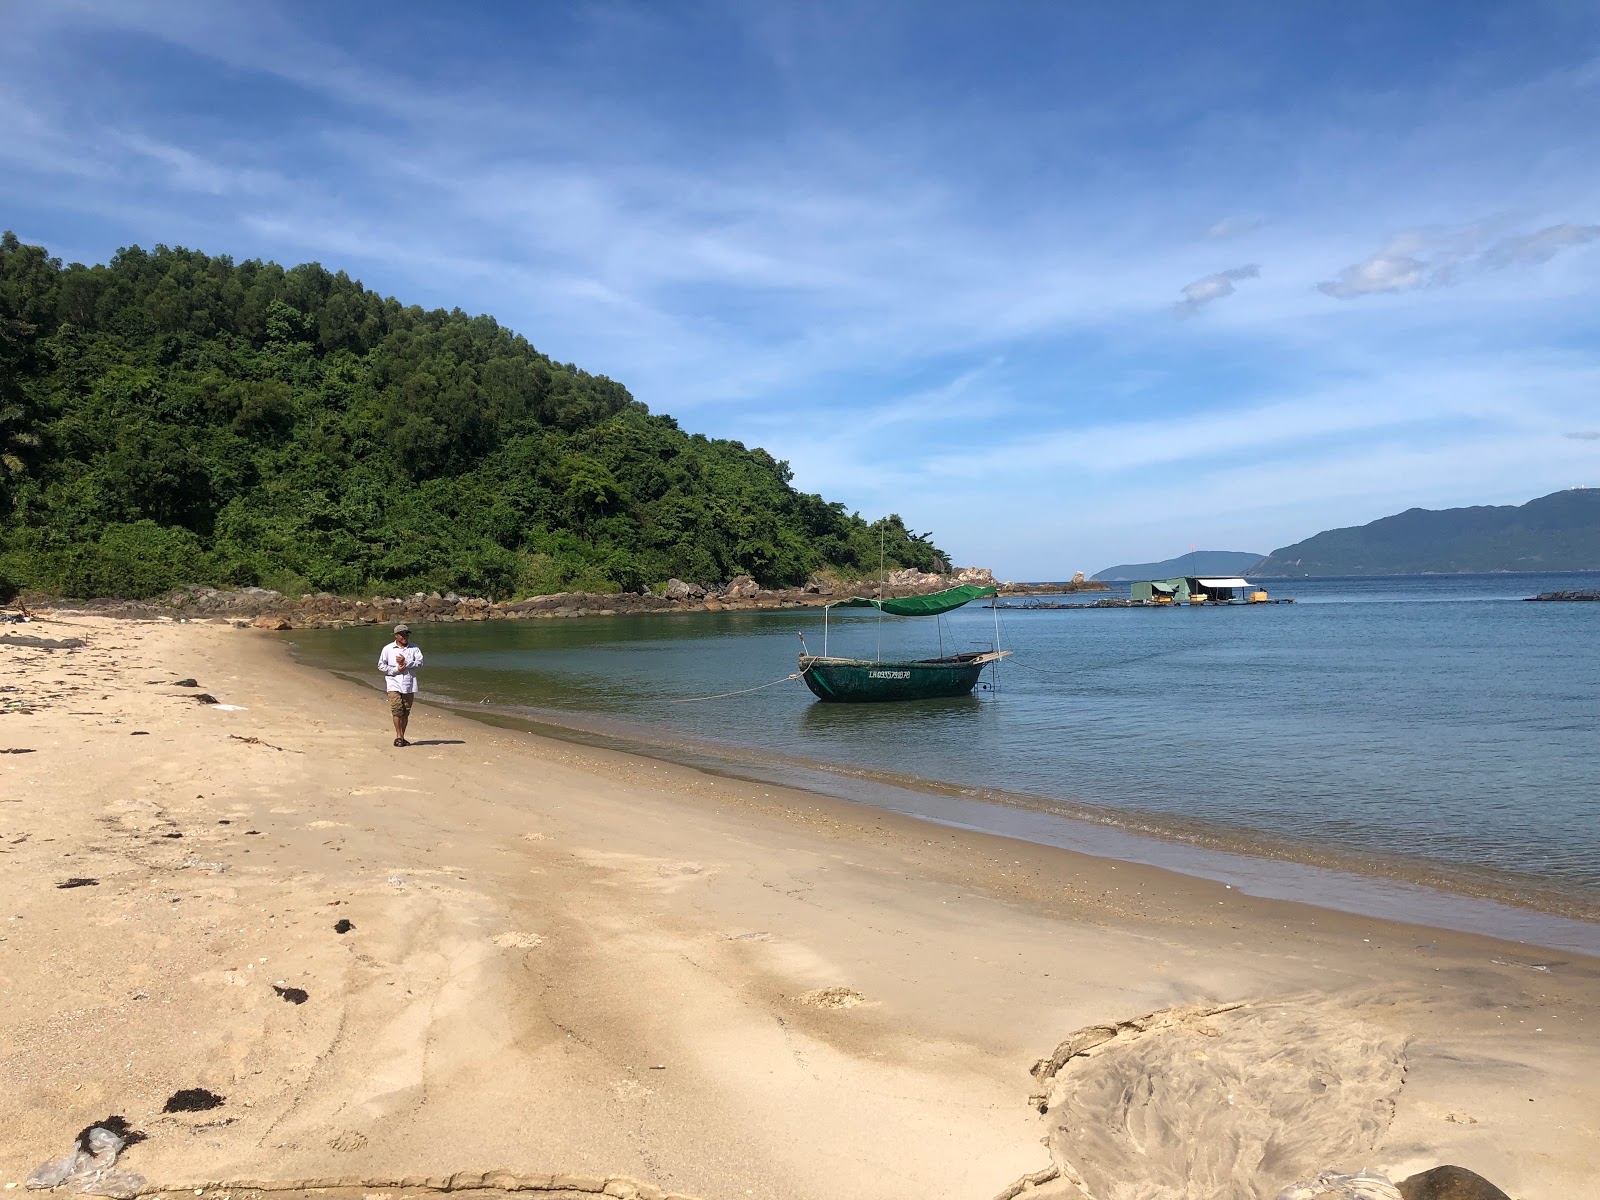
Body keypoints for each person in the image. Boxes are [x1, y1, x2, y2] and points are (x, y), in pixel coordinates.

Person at [377, 624, 423, 747]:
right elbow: (381, 665)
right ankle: (398, 736)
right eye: (402, 634)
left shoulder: (414, 648)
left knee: (405, 711)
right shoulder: (388, 649)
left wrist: (406, 662)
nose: (405, 636)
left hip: (409, 684)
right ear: (396, 635)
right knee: (397, 709)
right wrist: (395, 669)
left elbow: (420, 663)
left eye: (406, 634)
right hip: (393, 683)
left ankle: (402, 736)